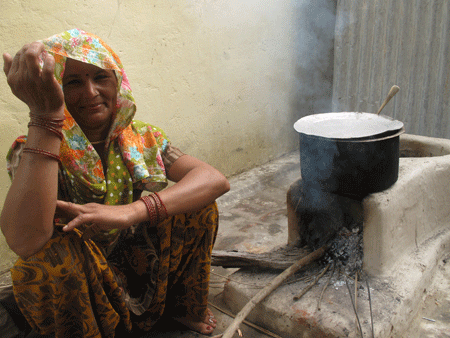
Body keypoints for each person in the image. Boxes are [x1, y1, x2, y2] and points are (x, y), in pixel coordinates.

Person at [0, 28, 230, 337]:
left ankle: (181, 309)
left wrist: (133, 211)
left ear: (117, 80)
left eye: (100, 77)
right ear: (56, 89)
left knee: (198, 206)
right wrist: (45, 117)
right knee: (49, 262)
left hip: (136, 258)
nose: (92, 92)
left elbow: (213, 179)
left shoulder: (143, 137)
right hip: (83, 280)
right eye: (73, 82)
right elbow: (26, 242)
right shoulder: (38, 147)